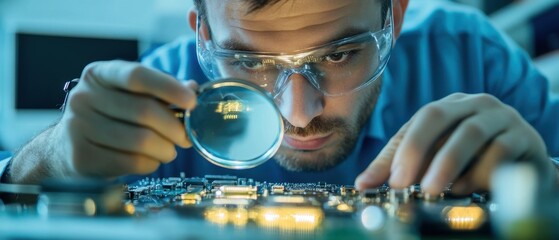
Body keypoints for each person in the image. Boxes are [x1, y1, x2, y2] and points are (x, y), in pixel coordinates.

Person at [1, 0, 558, 196]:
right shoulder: (160, 88)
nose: (298, 114)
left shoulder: (472, 59)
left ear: (396, 16)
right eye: (249, 61)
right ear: (202, 35)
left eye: (340, 54)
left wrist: (548, 183)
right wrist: (44, 160)